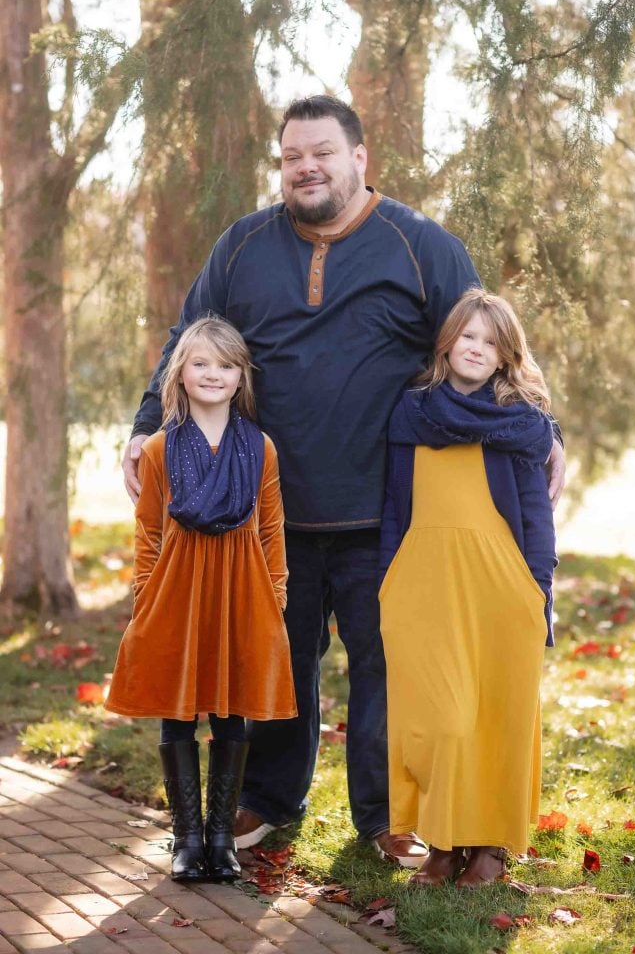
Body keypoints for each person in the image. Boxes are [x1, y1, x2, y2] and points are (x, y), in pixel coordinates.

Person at [122, 95, 566, 867]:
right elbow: (187, 336)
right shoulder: (242, 246)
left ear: (360, 157)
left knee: (387, 668)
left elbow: (482, 337)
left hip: (384, 510)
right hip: (262, 507)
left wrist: (545, 431)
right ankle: (267, 799)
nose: (306, 167)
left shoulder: (418, 243)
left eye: (321, 152)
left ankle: (388, 814)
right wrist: (143, 426)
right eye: (292, 156)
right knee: (275, 658)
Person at [107, 317, 296, 883]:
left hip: (243, 589)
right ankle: (187, 838)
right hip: (177, 588)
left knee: (232, 706)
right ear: (180, 376)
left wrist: (276, 593)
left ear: (241, 378)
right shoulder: (162, 448)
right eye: (201, 364)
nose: (213, 374)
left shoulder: (259, 447)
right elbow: (149, 533)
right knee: (179, 707)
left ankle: (221, 838)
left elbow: (271, 527)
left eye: (226, 365)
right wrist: (146, 598)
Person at [378, 288, 557, 886]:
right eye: (468, 336)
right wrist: (387, 583)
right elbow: (395, 508)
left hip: (502, 587)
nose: (477, 348)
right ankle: (441, 837)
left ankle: (486, 848)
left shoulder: (522, 426)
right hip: (424, 584)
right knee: (441, 719)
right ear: (448, 341)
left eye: (491, 341)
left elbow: (535, 514)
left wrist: (539, 591)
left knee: (497, 717)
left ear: (507, 355)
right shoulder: (412, 413)